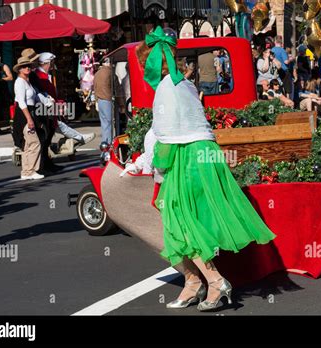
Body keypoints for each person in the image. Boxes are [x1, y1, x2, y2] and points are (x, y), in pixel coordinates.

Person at [135, 26, 275, 311]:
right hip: (201, 156)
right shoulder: (182, 84)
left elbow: (166, 138)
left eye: (142, 64)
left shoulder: (166, 88)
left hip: (185, 160)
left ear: (150, 63)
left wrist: (152, 169)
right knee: (182, 224)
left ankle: (213, 280)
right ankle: (193, 282)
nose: (141, 70)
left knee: (183, 224)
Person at [11, 56, 44, 180]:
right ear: (19, 69)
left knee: (28, 144)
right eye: (24, 66)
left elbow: (34, 98)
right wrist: (29, 119)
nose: (27, 68)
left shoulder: (27, 81)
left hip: (29, 112)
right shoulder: (19, 82)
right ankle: (31, 170)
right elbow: (21, 102)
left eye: (29, 66)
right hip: (24, 113)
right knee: (35, 143)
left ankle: (26, 171)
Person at [0, 51, 13, 134]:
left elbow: (10, 77)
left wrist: (1, 79)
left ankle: (11, 125)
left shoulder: (3, 66)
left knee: (7, 108)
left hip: (3, 89)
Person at [94, 59, 113, 144]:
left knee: (104, 124)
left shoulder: (97, 73)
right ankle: (108, 146)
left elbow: (95, 87)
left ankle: (104, 144)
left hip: (100, 100)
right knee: (109, 124)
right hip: (107, 99)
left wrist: (96, 100)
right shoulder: (110, 72)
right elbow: (114, 86)